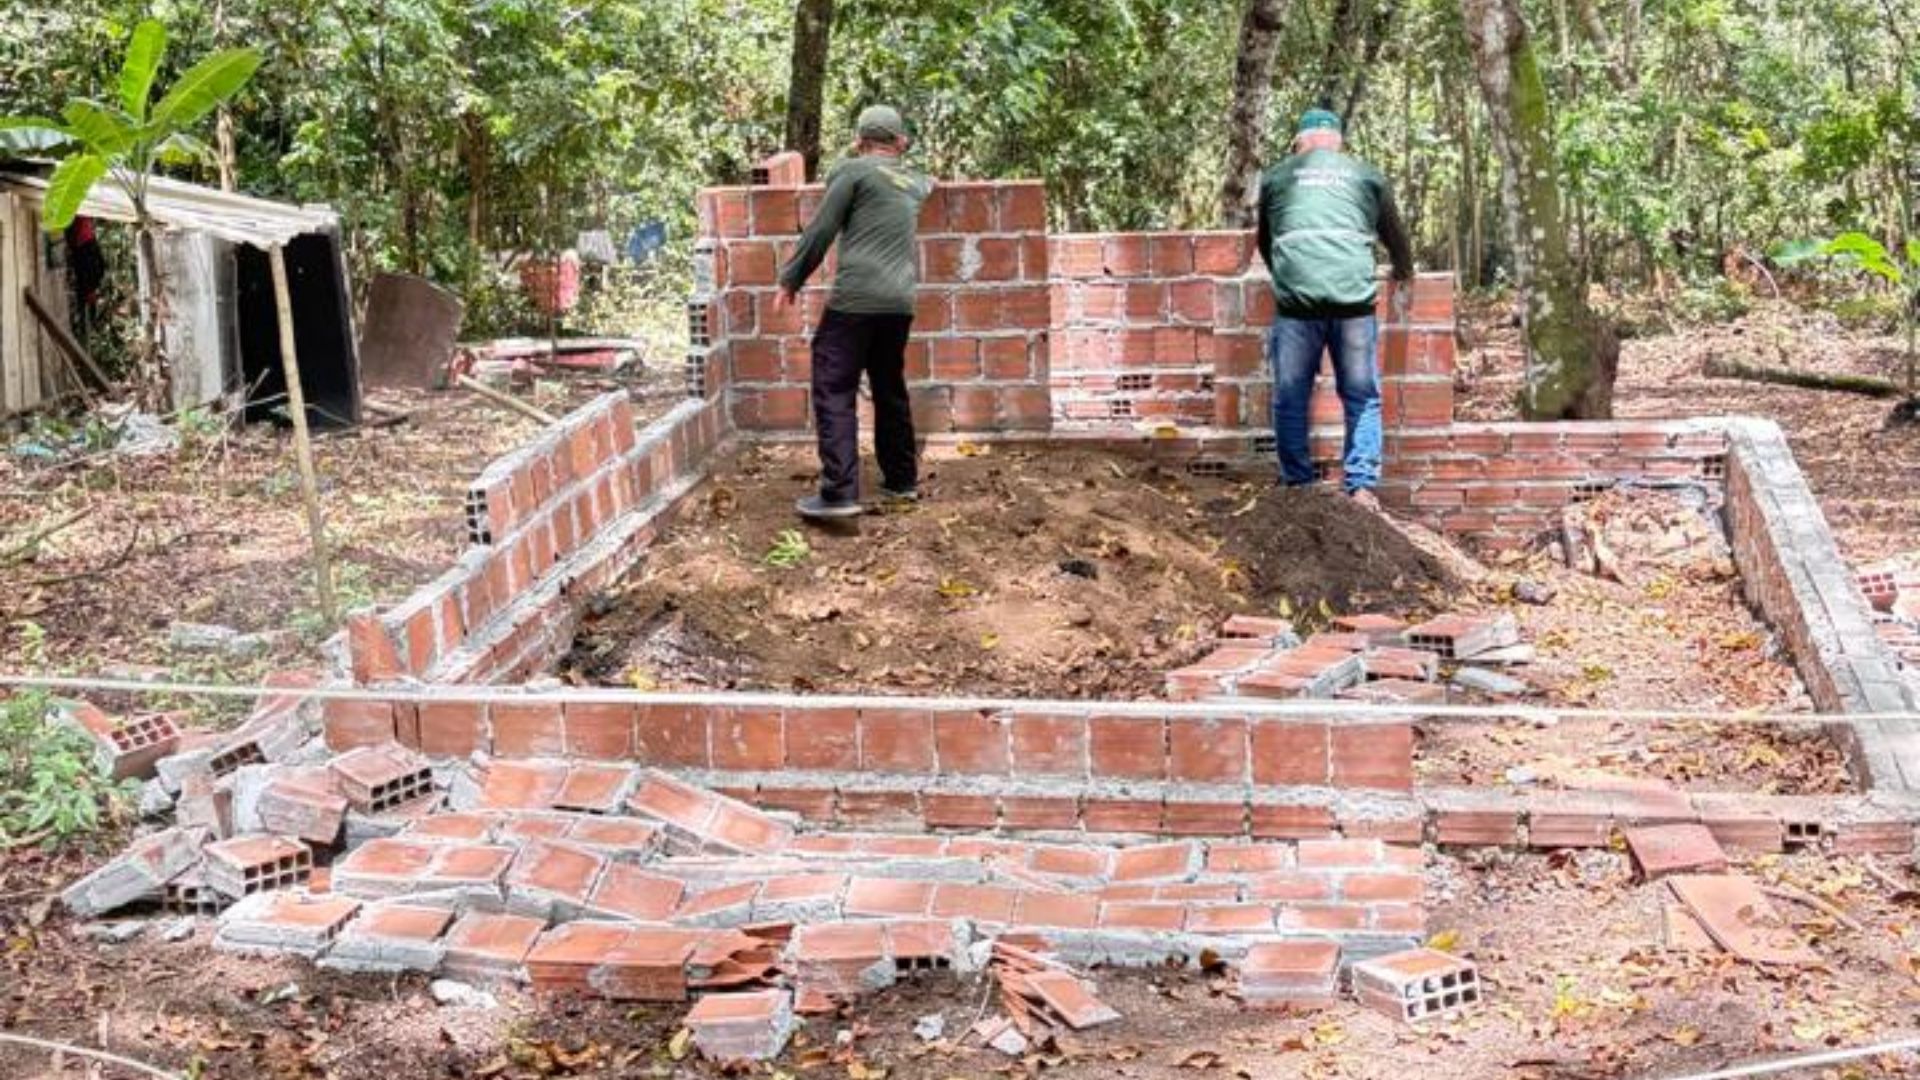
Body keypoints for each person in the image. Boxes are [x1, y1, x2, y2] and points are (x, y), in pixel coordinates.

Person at [775, 104, 934, 520]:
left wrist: (791, 278)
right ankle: (902, 482)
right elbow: (928, 183)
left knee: (834, 386)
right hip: (900, 303)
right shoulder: (916, 182)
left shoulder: (853, 171)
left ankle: (839, 492)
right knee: (889, 387)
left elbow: (823, 228)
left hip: (856, 299)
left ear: (860, 142)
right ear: (900, 143)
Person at [1255, 105, 1414, 510]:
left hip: (1297, 308)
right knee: (1361, 396)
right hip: (1353, 306)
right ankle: (1360, 487)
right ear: (1339, 142)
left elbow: (1266, 241)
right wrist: (1404, 270)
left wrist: (1290, 280)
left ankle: (1298, 487)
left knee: (1291, 397)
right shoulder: (1365, 175)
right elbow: (1394, 235)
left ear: (1299, 142)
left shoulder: (1276, 177)